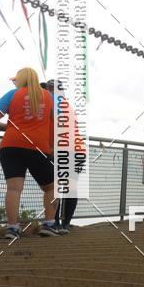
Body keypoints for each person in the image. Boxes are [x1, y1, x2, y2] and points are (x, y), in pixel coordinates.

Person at [0, 68, 57, 239]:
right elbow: (59, 123)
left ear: (21, 79)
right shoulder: (49, 97)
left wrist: (0, 124)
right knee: (52, 187)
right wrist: (52, 145)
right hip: (38, 148)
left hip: (11, 146)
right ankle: (49, 224)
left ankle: (12, 228)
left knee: (14, 189)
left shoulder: (12, 94)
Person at [45, 79, 85, 233]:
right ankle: (65, 224)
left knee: (55, 187)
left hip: (62, 150)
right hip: (78, 150)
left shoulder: (53, 102)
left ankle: (54, 223)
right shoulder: (67, 105)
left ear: (51, 89)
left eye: (47, 88)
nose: (46, 91)